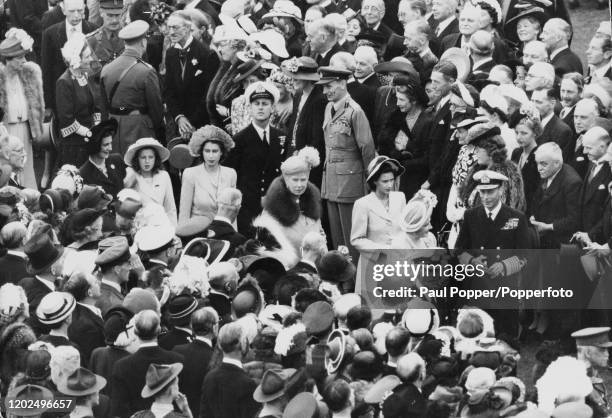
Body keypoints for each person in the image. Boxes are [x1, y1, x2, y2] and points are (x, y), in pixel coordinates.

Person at [318, 66, 375, 256]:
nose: (325, 91)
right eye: (324, 87)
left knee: (351, 234)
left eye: (329, 86)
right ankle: (342, 278)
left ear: (343, 83)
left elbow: (367, 148)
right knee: (337, 236)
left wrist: (370, 178)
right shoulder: (328, 108)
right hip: (332, 179)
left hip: (350, 181)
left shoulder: (354, 112)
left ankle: (355, 279)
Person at [226, 81, 287, 236]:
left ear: (272, 108)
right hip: (248, 207)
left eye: (265, 104)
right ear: (250, 108)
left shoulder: (281, 137)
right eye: (256, 103)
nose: (260, 107)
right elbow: (233, 176)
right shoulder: (239, 140)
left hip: (275, 206)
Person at [252, 147, 323, 269]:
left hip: (312, 268)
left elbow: (320, 236)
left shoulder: (312, 205)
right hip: (285, 270)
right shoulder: (272, 209)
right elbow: (265, 248)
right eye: (295, 180)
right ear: (285, 180)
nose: (299, 185)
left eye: (303, 180)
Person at [100, 20, 164, 154]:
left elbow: (104, 108)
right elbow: (156, 111)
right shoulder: (147, 71)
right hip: (139, 130)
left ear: (125, 43)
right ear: (142, 42)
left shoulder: (106, 69)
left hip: (113, 129)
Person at [110, 310, 185, 418]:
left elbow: (119, 409)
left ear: (135, 331)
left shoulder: (121, 366)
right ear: (159, 330)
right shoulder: (177, 360)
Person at [0, 28, 44, 189]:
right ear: (8, 59)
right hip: (6, 131)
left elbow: (35, 103)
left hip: (25, 129)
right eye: (20, 57)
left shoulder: (26, 74)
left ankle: (30, 197)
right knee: (8, 166)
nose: (24, 60)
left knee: (26, 165)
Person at [165, 11, 219, 136]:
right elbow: (169, 90)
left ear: (188, 28)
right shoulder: (171, 53)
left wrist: (191, 123)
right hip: (179, 125)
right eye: (169, 28)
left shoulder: (207, 54)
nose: (171, 32)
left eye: (175, 27)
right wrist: (179, 117)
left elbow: (207, 95)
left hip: (201, 125)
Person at [378, 74, 432, 199]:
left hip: (415, 181)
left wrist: (403, 163)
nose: (397, 103)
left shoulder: (427, 120)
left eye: (401, 100)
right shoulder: (396, 116)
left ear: (414, 101)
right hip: (395, 180)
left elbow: (428, 157)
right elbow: (385, 143)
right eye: (397, 99)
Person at [41, 0, 97, 115]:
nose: (76, 15)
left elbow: (97, 67)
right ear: (63, 10)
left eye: (80, 10)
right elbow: (46, 70)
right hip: (61, 100)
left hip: (90, 100)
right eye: (72, 11)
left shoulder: (93, 30)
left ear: (84, 8)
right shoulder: (50, 34)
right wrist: (48, 104)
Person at [179, 125, 236, 231]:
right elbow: (184, 214)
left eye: (215, 151)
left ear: (221, 152)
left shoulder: (230, 174)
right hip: (198, 234)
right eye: (207, 151)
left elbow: (232, 214)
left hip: (223, 233)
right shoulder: (190, 174)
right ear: (202, 152)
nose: (211, 156)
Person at [55, 33, 100, 168]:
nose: (91, 59)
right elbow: (66, 119)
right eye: (86, 56)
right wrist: (88, 132)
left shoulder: (85, 75)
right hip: (73, 145)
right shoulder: (64, 82)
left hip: (89, 139)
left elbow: (95, 106)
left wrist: (97, 127)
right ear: (76, 59)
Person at [200, 322, 259, 418]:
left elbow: (204, 414)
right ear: (243, 343)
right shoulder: (248, 384)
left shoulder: (209, 377)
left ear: (219, 345)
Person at [283, 56, 326, 188]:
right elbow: (293, 126)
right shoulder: (298, 95)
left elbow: (317, 137)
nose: (293, 79)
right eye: (293, 75)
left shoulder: (319, 99)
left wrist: (304, 156)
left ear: (308, 78)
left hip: (309, 159)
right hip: (293, 153)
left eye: (298, 76)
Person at [529, 142, 581, 249]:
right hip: (544, 239)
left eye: (543, 164)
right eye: (537, 163)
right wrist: (533, 216)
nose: (539, 168)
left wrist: (548, 227)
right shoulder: (549, 171)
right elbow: (537, 200)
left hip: (560, 243)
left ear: (557, 163)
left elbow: (574, 219)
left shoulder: (572, 183)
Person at [350, 156, 405, 251]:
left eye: (392, 180)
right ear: (375, 181)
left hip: (398, 259)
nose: (390, 185)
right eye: (385, 181)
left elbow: (406, 229)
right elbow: (357, 239)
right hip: (375, 261)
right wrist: (384, 249)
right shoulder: (362, 204)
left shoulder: (400, 198)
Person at [173, 307, 218, 418]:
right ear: (215, 327)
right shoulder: (215, 358)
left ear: (192, 327)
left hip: (177, 413)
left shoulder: (176, 350)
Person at [123, 137, 176, 226]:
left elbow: (170, 208)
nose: (147, 161)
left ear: (156, 158)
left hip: (162, 227)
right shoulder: (131, 176)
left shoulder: (164, 176)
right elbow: (127, 210)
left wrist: (173, 231)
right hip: (141, 228)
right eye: (143, 157)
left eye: (151, 157)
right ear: (137, 159)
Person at [205, 25, 247, 127]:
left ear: (234, 46)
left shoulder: (243, 69)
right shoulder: (226, 65)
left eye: (222, 45)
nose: (219, 49)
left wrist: (229, 113)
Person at [64, 271, 105, 365]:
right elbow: (90, 359)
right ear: (89, 292)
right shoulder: (86, 325)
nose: (99, 283)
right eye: (95, 282)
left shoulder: (77, 311)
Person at [78, 119, 127, 198]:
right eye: (106, 145)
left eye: (111, 143)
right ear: (95, 146)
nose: (110, 148)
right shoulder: (83, 174)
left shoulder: (117, 160)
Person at [511, 107, 541, 214]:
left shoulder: (539, 155)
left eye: (524, 133)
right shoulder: (516, 152)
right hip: (514, 206)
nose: (519, 137)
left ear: (535, 133)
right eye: (517, 133)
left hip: (530, 210)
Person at [94, 236, 133, 316]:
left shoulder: (100, 287)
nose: (131, 267)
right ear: (117, 269)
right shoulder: (112, 303)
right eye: (128, 264)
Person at [62, 208, 105, 276]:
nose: (101, 234)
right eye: (99, 229)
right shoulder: (87, 258)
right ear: (88, 231)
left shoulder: (65, 251)